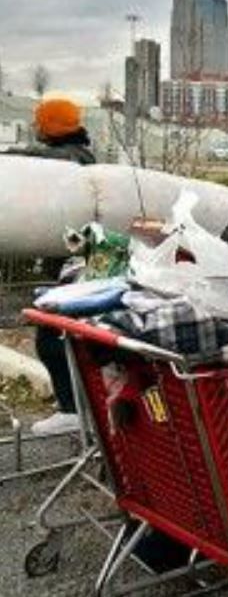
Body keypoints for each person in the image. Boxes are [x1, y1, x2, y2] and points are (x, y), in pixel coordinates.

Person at [6, 97, 95, 435]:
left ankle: (72, 410)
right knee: (61, 337)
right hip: (77, 263)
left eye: (40, 122)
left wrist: (10, 156)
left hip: (74, 266)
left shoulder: (68, 160)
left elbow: (39, 160)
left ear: (51, 127)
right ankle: (78, 407)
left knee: (52, 337)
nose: (35, 127)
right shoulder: (79, 155)